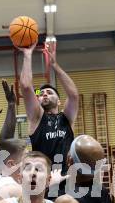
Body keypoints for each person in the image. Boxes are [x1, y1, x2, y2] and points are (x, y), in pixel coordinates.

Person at [19, 42, 79, 184]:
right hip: (44, 182)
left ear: (59, 101)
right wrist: (27, 55)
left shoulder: (67, 118)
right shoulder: (36, 118)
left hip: (68, 180)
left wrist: (54, 64)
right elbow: (27, 87)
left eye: (50, 92)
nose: (44, 95)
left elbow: (74, 95)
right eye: (41, 94)